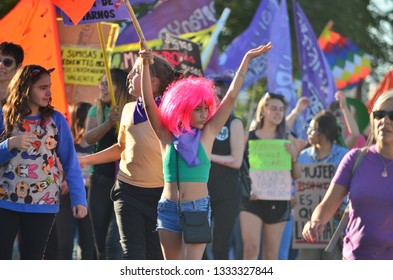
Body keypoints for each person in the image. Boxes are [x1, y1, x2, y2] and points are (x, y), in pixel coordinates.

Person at [139, 42, 272, 260]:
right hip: (168, 208)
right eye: (197, 109)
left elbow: (229, 98)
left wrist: (246, 60)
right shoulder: (166, 135)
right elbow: (147, 103)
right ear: (183, 108)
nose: (204, 114)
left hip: (197, 208)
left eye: (206, 109)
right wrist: (145, 65)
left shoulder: (208, 133)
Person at [80, 55, 180, 260]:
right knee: (132, 254)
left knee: (154, 257)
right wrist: (85, 160)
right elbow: (121, 148)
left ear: (152, 82)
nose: (130, 76)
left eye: (136, 72)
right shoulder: (127, 109)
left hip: (160, 196)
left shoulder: (170, 111)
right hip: (127, 191)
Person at [0, 65, 87, 260]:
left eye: (49, 86)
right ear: (25, 88)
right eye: (42, 87)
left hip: (43, 203)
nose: (48, 92)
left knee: (33, 260)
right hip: (4, 203)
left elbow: (71, 162)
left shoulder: (56, 120)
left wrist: (79, 199)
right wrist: (10, 144)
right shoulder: (3, 116)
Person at [302, 89, 393, 260]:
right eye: (379, 114)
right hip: (354, 258)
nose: (385, 121)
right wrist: (315, 221)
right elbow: (327, 205)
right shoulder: (355, 158)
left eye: (392, 115)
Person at [240, 92, 301, 260]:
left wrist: (294, 157)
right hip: (251, 201)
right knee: (251, 249)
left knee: (270, 255)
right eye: (273, 108)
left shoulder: (287, 138)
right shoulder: (249, 137)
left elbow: (296, 175)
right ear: (263, 110)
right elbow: (237, 166)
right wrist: (245, 189)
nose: (278, 113)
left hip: (278, 200)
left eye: (281, 110)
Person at [84, 68, 131, 260]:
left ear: (119, 87)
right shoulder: (97, 110)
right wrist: (109, 123)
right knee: (101, 241)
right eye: (101, 83)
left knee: (116, 241)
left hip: (125, 182)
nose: (102, 87)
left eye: (107, 83)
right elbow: (88, 138)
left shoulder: (131, 109)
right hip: (101, 181)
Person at [45, 102, 96, 259]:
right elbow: (57, 166)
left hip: (89, 195)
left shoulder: (97, 142)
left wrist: (83, 181)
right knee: (65, 245)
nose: (87, 122)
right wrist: (64, 180)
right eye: (85, 117)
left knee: (88, 244)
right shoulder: (67, 142)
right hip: (66, 198)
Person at [296, 110, 348, 260]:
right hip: (307, 224)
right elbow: (298, 187)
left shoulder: (344, 156)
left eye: (312, 129)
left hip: (336, 225)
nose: (308, 132)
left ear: (324, 132)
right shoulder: (303, 156)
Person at [204, 75, 244, 260]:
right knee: (198, 245)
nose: (216, 100)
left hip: (227, 194)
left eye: (221, 96)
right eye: (213, 95)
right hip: (202, 192)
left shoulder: (234, 123)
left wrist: (207, 156)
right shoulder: (201, 121)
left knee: (221, 247)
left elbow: (236, 161)